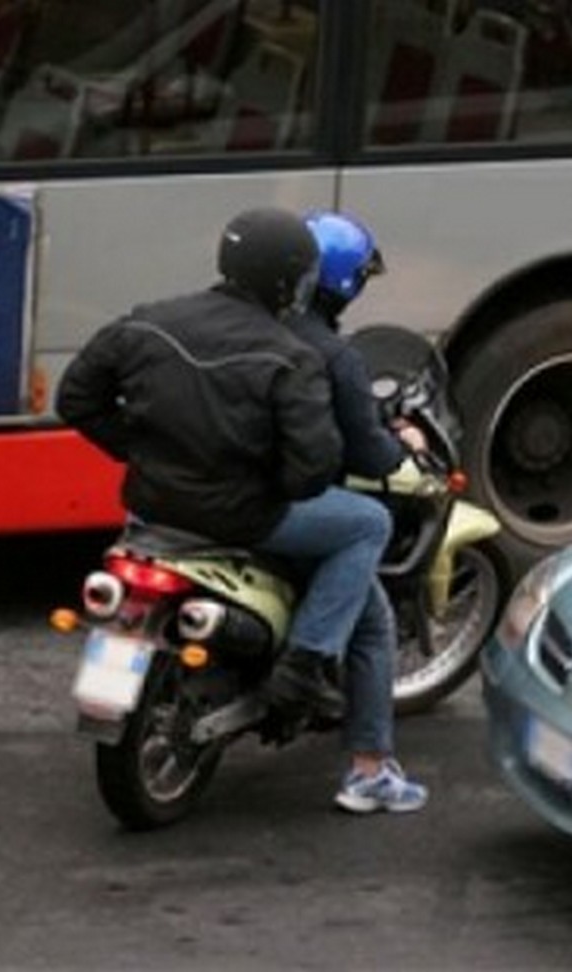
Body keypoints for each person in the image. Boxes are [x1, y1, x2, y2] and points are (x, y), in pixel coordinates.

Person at [54, 208, 401, 796]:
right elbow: (312, 471)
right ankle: (306, 662)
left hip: (152, 507)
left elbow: (76, 399)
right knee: (368, 522)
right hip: (244, 517)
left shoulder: (148, 321)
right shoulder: (293, 357)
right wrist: (266, 480)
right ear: (290, 281)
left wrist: (140, 451)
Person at [288, 209, 428, 814]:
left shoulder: (244, 327)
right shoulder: (333, 354)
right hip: (275, 506)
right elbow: (368, 450)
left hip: (193, 501)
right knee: (372, 615)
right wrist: (402, 444)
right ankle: (369, 769)